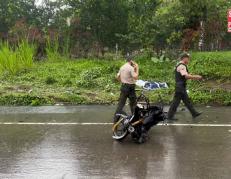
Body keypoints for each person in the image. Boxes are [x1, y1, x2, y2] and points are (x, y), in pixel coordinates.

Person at [167, 52, 202, 120]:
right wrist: (196, 77)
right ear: (184, 58)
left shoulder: (181, 65)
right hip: (180, 87)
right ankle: (169, 116)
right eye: (188, 59)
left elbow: (183, 74)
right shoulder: (181, 65)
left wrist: (190, 75)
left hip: (181, 86)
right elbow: (186, 76)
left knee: (186, 101)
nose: (189, 60)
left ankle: (194, 113)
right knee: (176, 102)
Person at [113, 56, 139, 123]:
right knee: (133, 104)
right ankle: (135, 119)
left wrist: (122, 81)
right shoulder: (130, 68)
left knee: (121, 104)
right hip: (130, 88)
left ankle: (115, 120)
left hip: (124, 87)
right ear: (131, 61)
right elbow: (136, 77)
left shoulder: (122, 67)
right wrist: (137, 68)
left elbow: (117, 76)